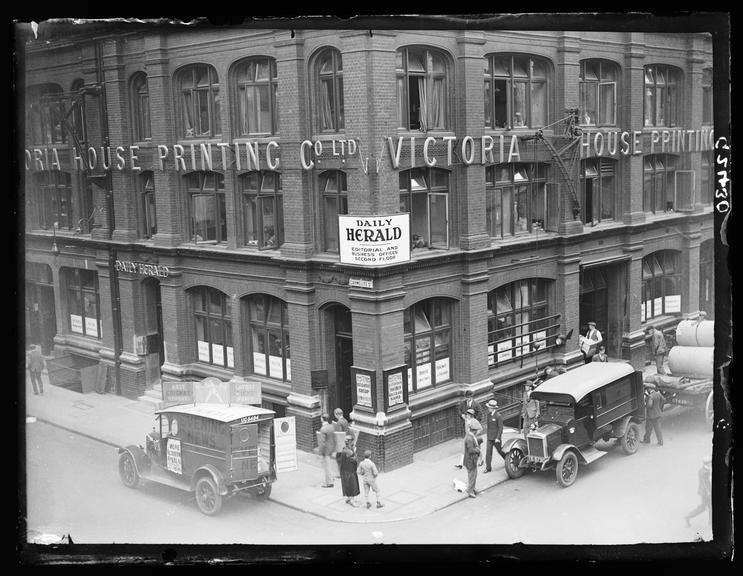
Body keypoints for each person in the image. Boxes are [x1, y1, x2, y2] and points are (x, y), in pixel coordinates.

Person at [455, 390, 483, 469]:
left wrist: (474, 423)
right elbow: (459, 410)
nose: (468, 398)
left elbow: (480, 414)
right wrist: (462, 415)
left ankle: (481, 459)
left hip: (473, 433)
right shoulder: (463, 404)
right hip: (467, 433)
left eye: (469, 397)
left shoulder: (476, 404)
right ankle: (460, 464)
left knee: (476, 448)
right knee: (464, 447)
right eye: (467, 397)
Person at [685, 456, 712, 528]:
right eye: (710, 462)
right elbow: (704, 483)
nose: (711, 463)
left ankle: (711, 522)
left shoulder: (706, 469)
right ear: (707, 463)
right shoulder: (703, 472)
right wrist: (708, 492)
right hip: (706, 493)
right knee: (703, 508)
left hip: (706, 492)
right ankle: (688, 517)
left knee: (710, 507)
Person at [337, 434, 360, 506]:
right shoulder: (349, 452)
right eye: (352, 441)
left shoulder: (344, 449)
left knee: (347, 485)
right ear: (350, 442)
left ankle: (348, 498)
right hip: (350, 472)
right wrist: (355, 452)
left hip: (344, 471)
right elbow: (355, 460)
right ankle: (352, 501)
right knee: (353, 486)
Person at [483, 399, 505, 473]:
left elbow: (500, 428)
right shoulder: (488, 415)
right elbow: (489, 426)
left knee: (500, 451)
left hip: (496, 438)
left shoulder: (498, 416)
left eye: (489, 407)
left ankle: (507, 458)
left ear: (493, 408)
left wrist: (498, 438)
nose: (488, 408)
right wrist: (488, 435)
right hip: (490, 437)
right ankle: (488, 467)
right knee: (488, 452)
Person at [463, 421, 481, 498]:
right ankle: (470, 491)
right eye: (477, 430)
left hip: (472, 460)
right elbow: (470, 450)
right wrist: (478, 450)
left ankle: (473, 488)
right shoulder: (469, 439)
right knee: (472, 476)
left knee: (474, 475)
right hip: (470, 461)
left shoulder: (470, 436)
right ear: (474, 430)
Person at [318, 413, 337, 487]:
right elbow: (334, 438)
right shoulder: (332, 427)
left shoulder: (323, 429)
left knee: (327, 467)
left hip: (326, 450)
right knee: (329, 465)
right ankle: (331, 478)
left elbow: (322, 442)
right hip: (331, 449)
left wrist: (321, 452)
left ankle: (329, 482)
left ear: (322, 419)